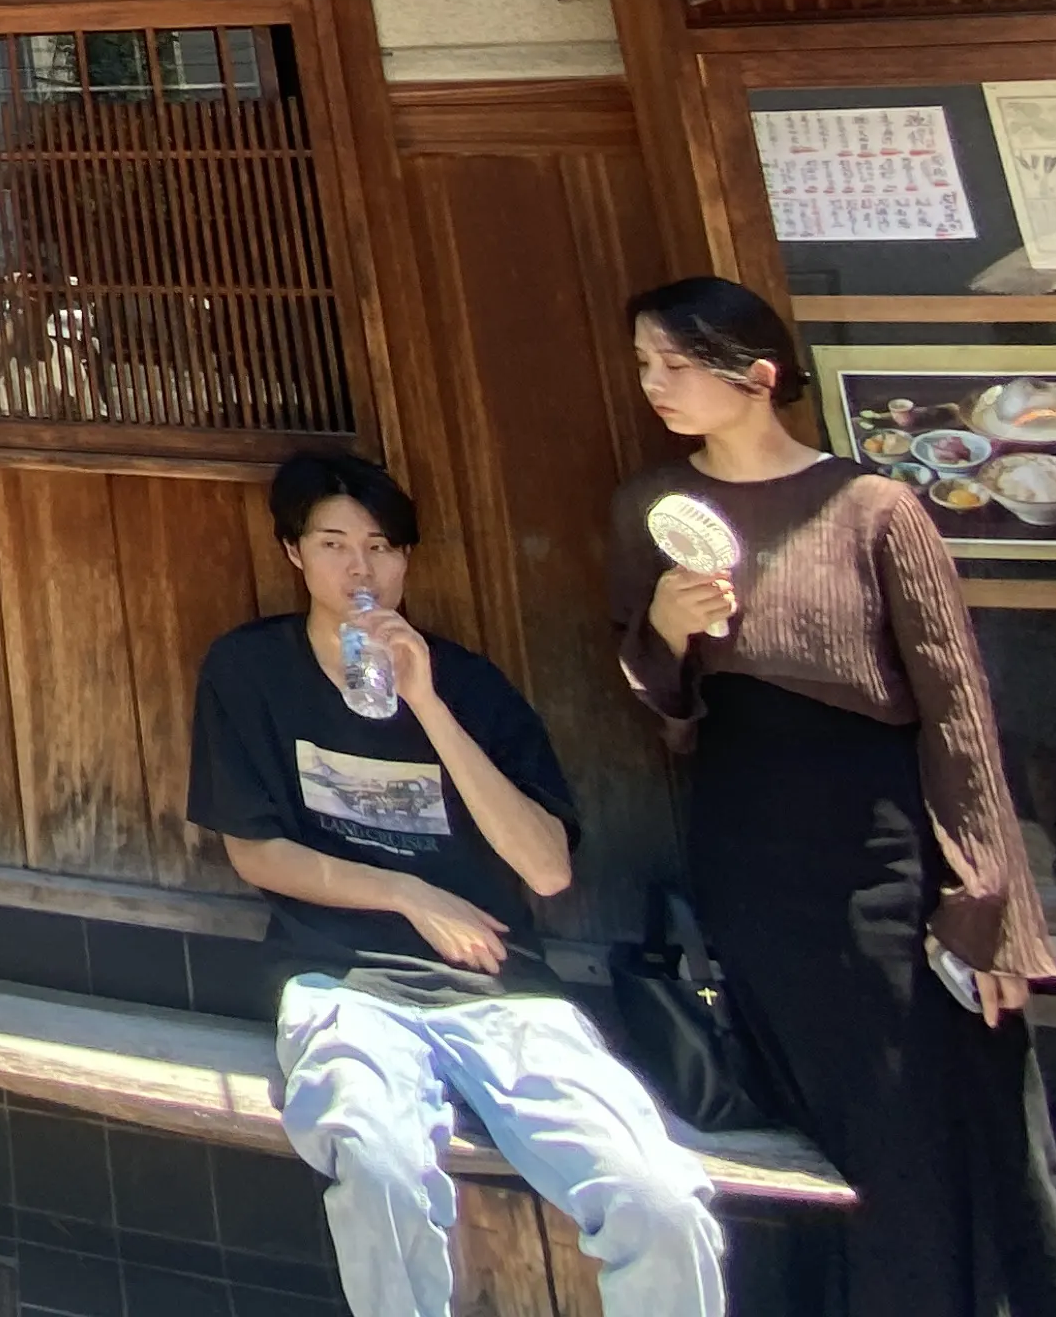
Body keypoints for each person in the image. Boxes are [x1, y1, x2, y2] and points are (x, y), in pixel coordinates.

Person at [610, 275, 1056, 1317]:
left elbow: (957, 711)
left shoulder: (872, 507)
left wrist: (989, 908)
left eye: (674, 363)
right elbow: (662, 708)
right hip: (747, 835)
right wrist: (663, 627)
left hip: (879, 835)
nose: (653, 383)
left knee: (930, 1112)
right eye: (645, 363)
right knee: (810, 1127)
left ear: (754, 376)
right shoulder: (657, 508)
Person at [191, 449, 721, 1317]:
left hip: (503, 995)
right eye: (332, 544)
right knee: (380, 1165)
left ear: (405, 558)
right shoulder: (252, 672)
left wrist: (428, 703)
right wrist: (409, 893)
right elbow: (255, 853)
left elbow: (546, 869)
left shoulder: (468, 683)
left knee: (659, 1199)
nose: (359, 568)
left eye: (382, 547)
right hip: (344, 983)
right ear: (294, 553)